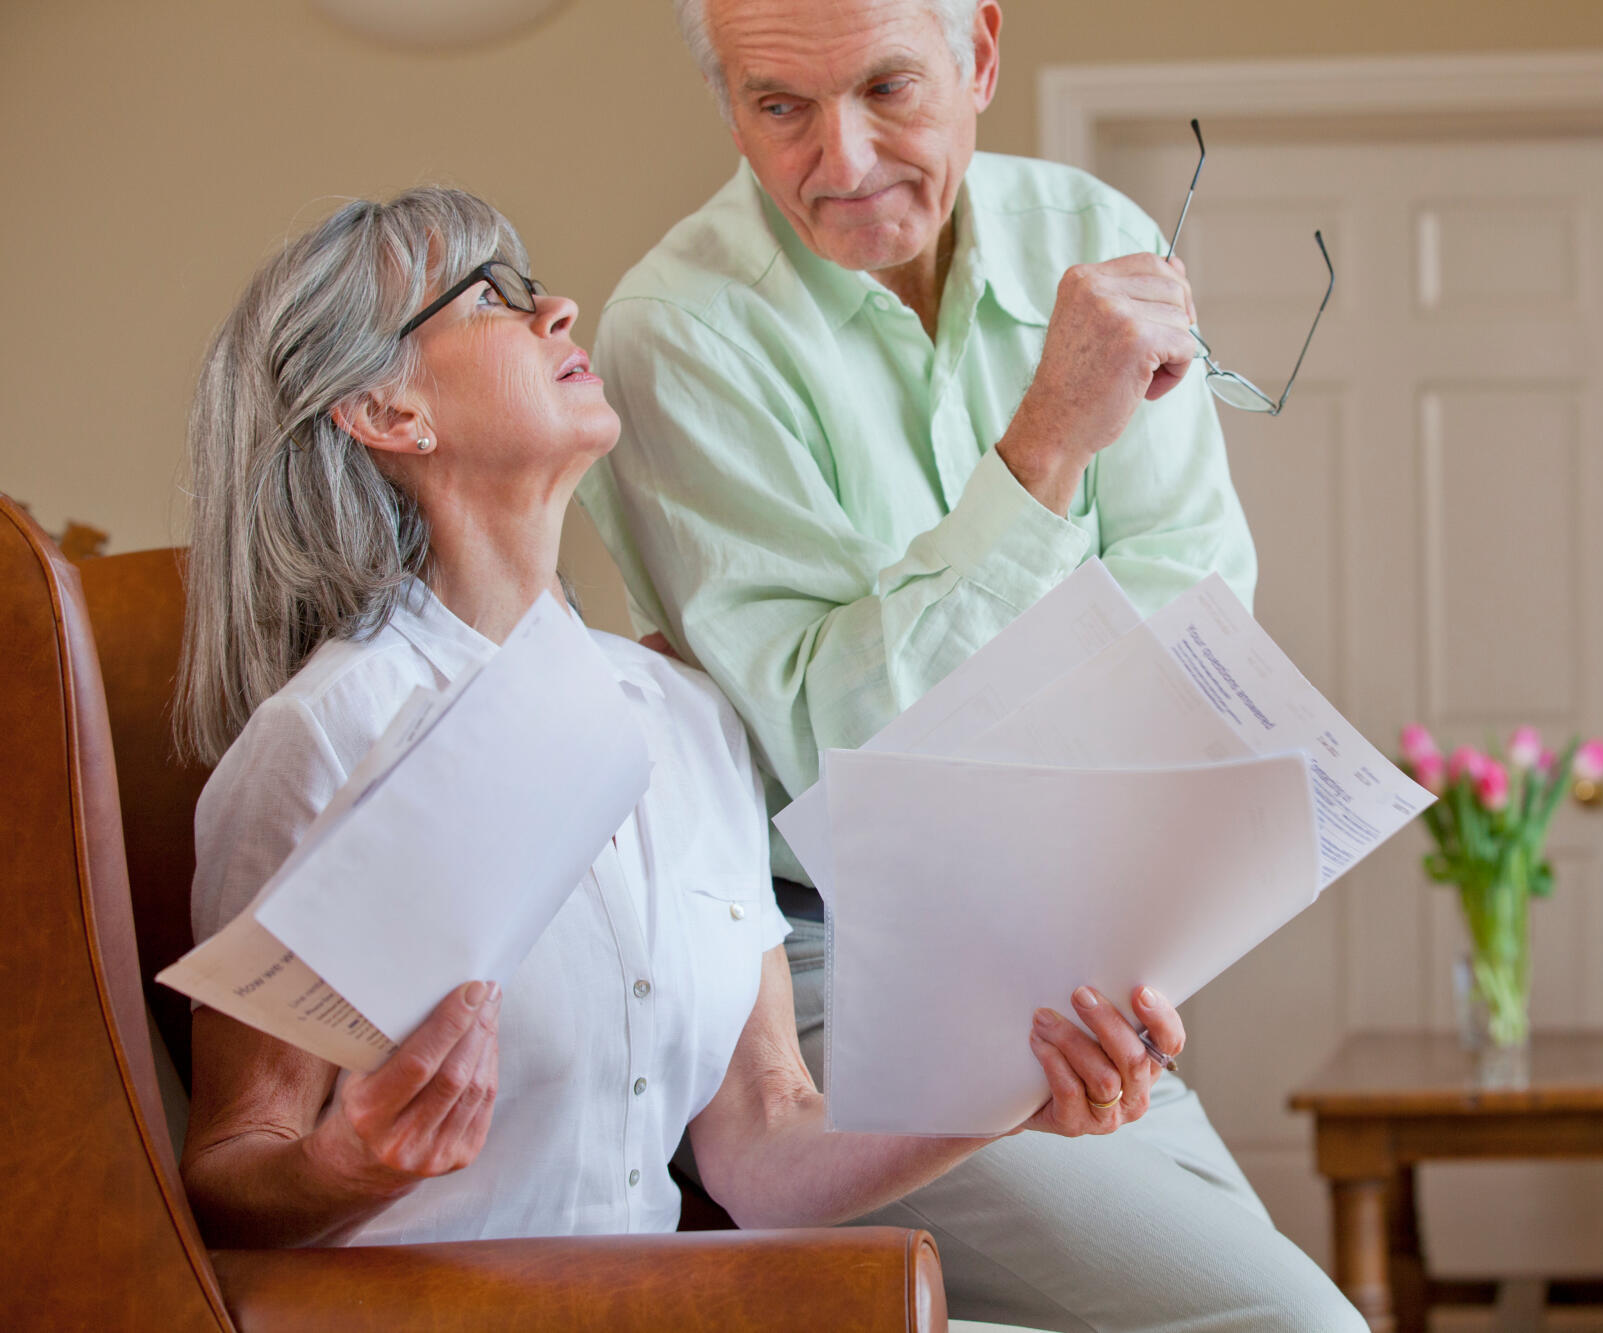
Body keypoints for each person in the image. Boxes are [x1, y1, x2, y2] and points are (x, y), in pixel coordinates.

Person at [173, 185, 1189, 1252]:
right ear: (389, 415)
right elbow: (233, 1166)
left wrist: (1013, 1090)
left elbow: (763, 1150)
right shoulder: (322, 737)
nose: (557, 308)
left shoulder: (686, 716)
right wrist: (347, 1169)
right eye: (490, 298)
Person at [576, 1, 1361, 1328]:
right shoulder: (681, 335)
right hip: (827, 976)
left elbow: (1195, 612)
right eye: (779, 106)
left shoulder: (1093, 236)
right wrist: (1044, 450)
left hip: (1067, 951)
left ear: (981, 55)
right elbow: (846, 759)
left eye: (889, 88)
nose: (842, 156)